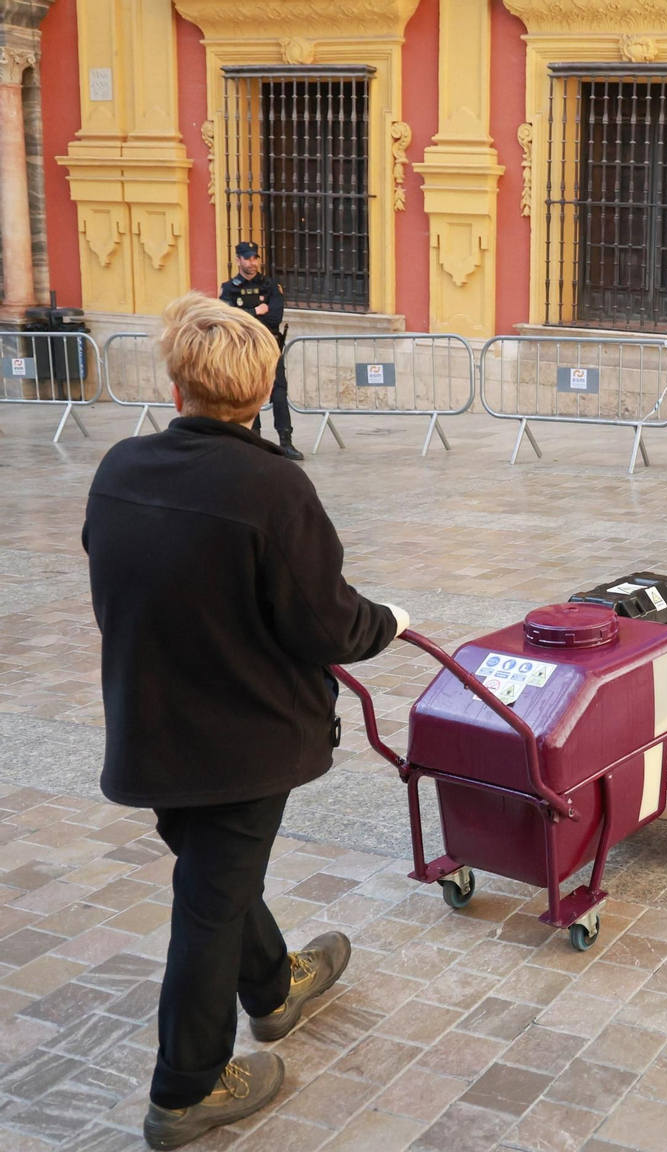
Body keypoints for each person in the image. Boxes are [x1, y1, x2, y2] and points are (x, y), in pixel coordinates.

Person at [82, 293, 409, 1149]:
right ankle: (187, 1089)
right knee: (208, 901)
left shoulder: (120, 466)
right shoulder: (272, 486)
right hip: (240, 739)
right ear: (261, 392)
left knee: (213, 876)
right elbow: (326, 623)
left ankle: (273, 988)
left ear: (178, 381)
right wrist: (392, 622)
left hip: (151, 725)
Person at [220, 241, 302, 461]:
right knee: (249, 394)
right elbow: (229, 319)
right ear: (238, 260)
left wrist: (245, 313)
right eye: (247, 258)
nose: (252, 262)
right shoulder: (229, 289)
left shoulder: (271, 286)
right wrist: (257, 310)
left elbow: (275, 317)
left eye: (255, 258)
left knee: (279, 393)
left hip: (270, 347)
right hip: (245, 349)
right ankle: (252, 441)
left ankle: (286, 442)